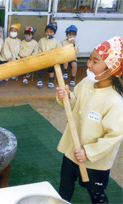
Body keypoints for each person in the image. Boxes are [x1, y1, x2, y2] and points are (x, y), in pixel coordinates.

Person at [56, 36, 123, 204]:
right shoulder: (87, 82)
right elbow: (74, 103)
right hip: (73, 150)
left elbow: (114, 137)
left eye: (95, 61)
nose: (89, 64)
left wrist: (88, 152)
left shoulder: (115, 102)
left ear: (112, 69)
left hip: (94, 160)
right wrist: (66, 96)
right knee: (65, 186)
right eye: (90, 59)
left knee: (96, 193)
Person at [38, 22, 61, 88]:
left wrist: (54, 52)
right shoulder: (42, 40)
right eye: (47, 32)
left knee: (51, 67)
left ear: (54, 33)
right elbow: (39, 48)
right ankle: (40, 80)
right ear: (45, 32)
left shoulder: (56, 41)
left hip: (52, 59)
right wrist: (41, 54)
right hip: (42, 58)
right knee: (40, 66)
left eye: (51, 32)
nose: (49, 33)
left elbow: (59, 50)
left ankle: (51, 81)